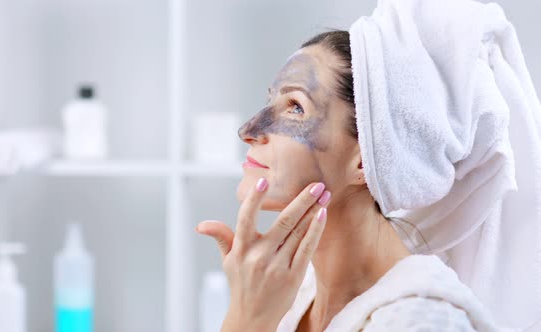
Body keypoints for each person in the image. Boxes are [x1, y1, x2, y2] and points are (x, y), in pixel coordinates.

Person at [196, 30, 505, 332]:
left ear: (364, 159)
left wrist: (248, 319)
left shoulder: (421, 321)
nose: (249, 129)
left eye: (295, 107)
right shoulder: (290, 292)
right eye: (270, 101)